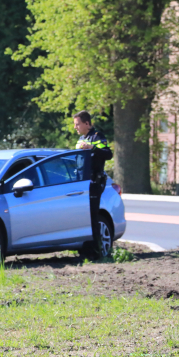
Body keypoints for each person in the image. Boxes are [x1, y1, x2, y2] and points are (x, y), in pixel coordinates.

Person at [74, 110, 113, 257]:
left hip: (94, 183)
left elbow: (108, 154)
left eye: (77, 124)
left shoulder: (97, 136)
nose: (75, 127)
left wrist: (93, 148)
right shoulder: (80, 139)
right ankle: (86, 248)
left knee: (93, 216)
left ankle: (98, 251)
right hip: (82, 183)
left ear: (87, 123)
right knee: (83, 216)